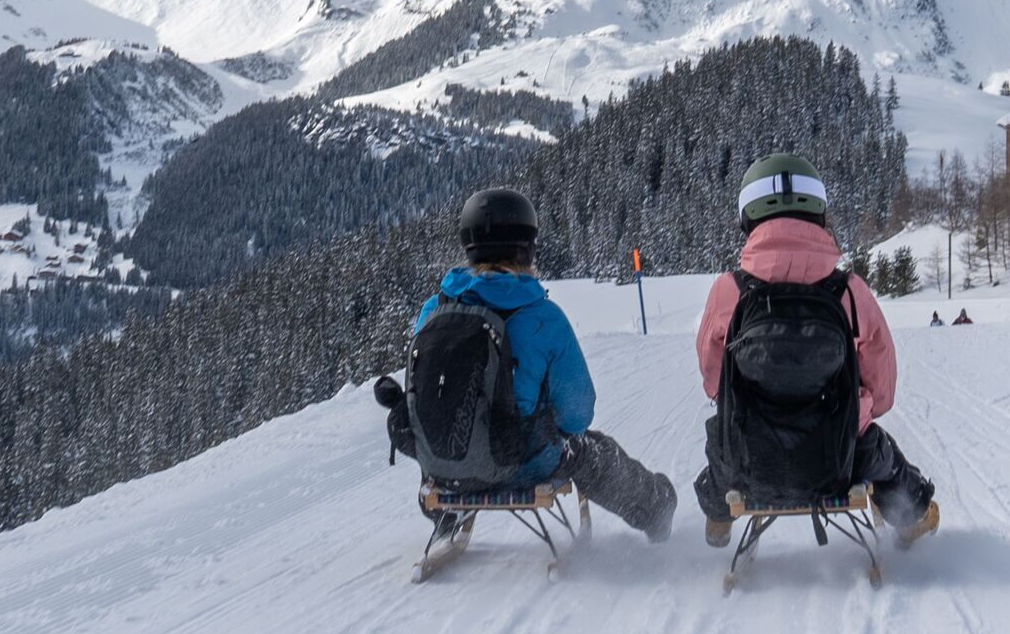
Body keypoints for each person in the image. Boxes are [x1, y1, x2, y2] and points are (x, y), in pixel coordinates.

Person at [379, 187, 677, 541]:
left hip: (441, 466)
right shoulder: (543, 318)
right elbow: (578, 414)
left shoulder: (433, 310)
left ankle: (445, 513)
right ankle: (656, 509)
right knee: (592, 451)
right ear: (527, 246)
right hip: (521, 466)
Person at [692, 153, 939, 549]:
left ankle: (718, 519)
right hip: (835, 460)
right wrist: (859, 409)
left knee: (719, 442)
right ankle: (913, 518)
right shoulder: (848, 291)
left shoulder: (729, 290)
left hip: (753, 463)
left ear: (748, 218)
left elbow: (713, 380)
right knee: (880, 452)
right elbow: (882, 385)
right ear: (818, 213)